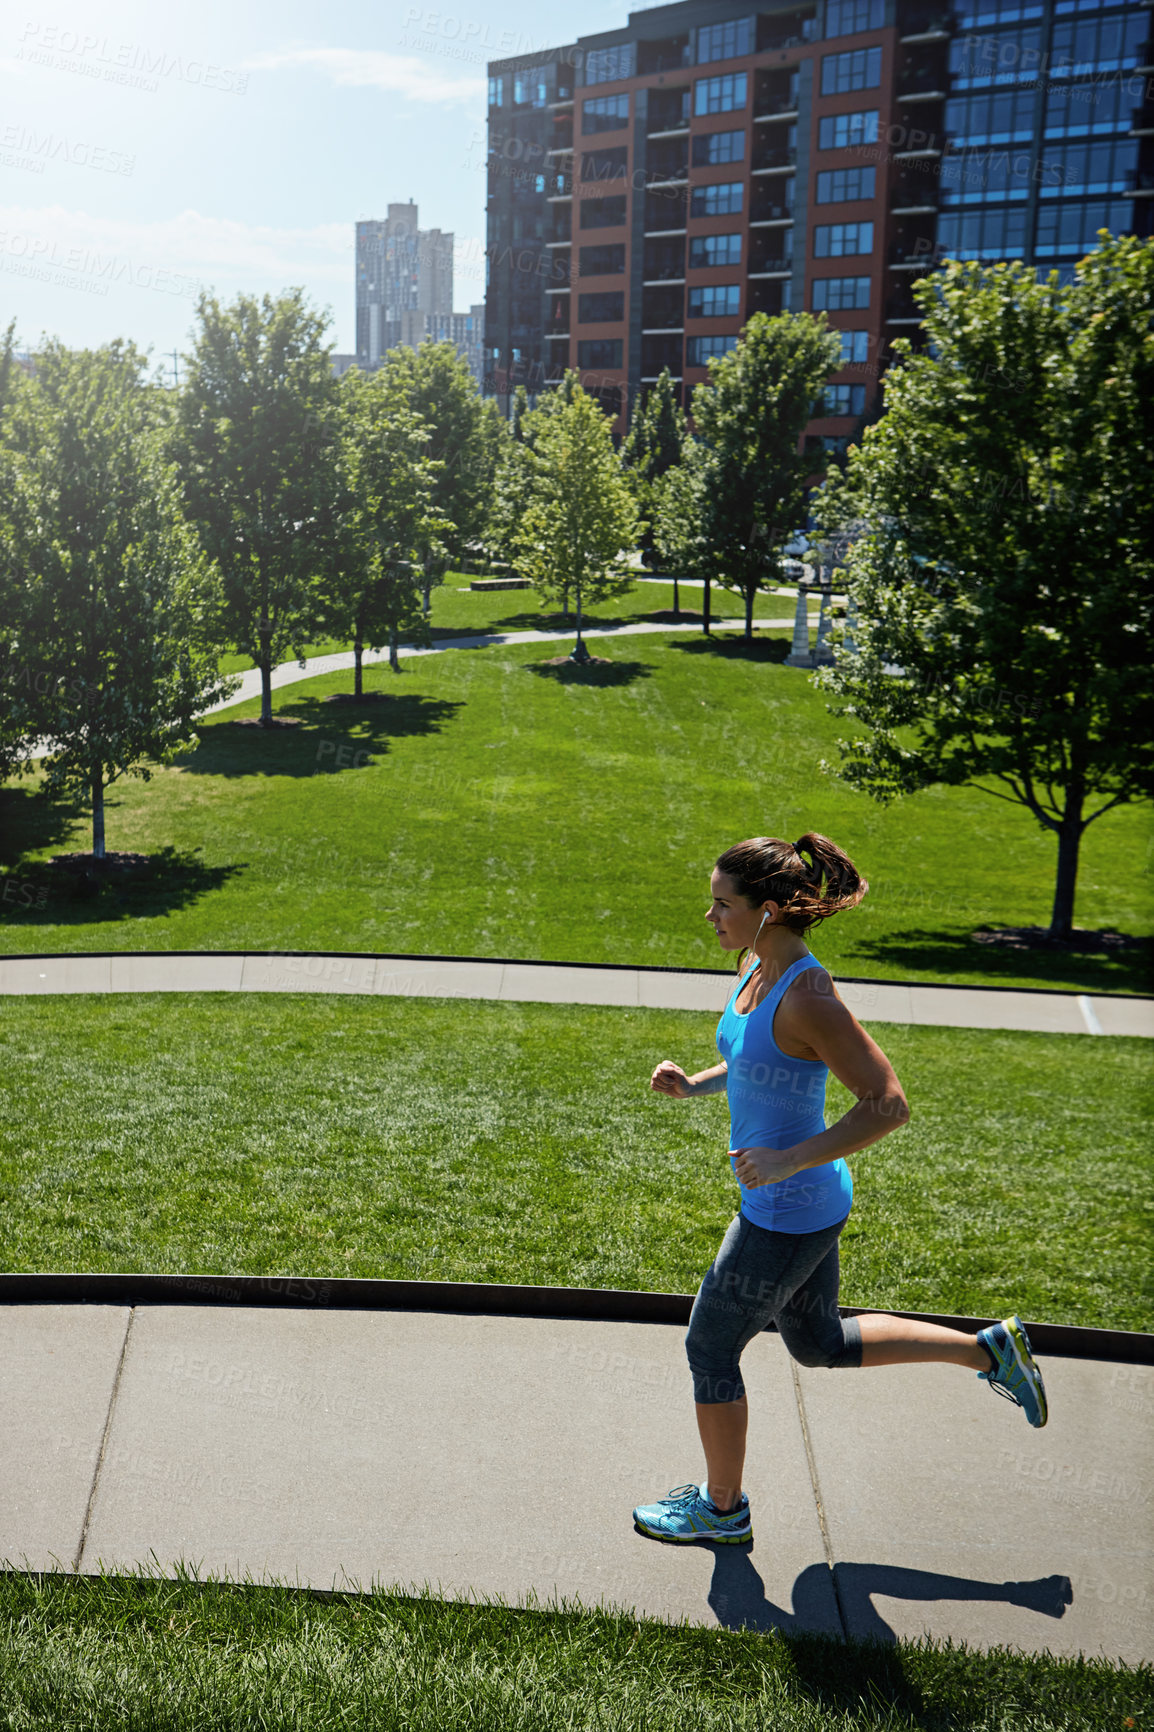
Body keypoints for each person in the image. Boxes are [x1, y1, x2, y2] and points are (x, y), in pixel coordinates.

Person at [633, 832, 1048, 1547]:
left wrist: (788, 1160)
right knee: (819, 1343)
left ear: (767, 910)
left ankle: (722, 1511)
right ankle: (990, 1350)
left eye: (721, 903)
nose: (710, 917)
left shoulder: (810, 993)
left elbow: (888, 1103)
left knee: (709, 1348)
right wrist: (694, 1084)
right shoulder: (753, 964)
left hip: (787, 1211)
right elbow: (756, 1059)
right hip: (800, 1202)